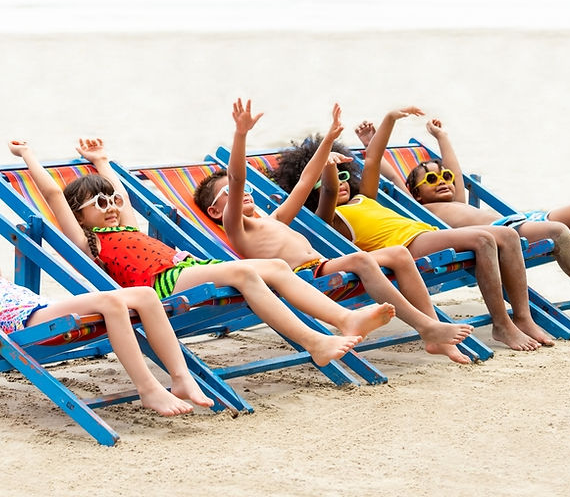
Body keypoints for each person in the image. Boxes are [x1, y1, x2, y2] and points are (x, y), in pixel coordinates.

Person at [7, 139, 397, 369]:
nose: (110, 205)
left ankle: (346, 319)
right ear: (80, 214)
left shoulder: (125, 223)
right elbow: (56, 195)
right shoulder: (88, 240)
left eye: (111, 199)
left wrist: (103, 161)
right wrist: (29, 157)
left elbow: (122, 195)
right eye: (99, 202)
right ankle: (315, 342)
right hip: (160, 284)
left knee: (276, 266)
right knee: (245, 275)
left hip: (187, 267)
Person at [0, 146, 214, 417]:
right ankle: (149, 389)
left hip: (44, 308)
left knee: (146, 296)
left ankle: (181, 377)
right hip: (27, 323)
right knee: (111, 301)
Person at [193, 98, 473, 364]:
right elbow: (237, 177)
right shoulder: (236, 228)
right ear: (217, 212)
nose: (243, 193)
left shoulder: (275, 218)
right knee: (362, 259)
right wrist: (241, 135)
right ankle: (426, 327)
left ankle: (435, 332)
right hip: (305, 277)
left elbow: (305, 181)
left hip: (321, 266)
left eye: (247, 191)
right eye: (231, 193)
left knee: (399, 254)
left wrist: (328, 139)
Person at [272, 106, 556, 351]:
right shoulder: (327, 215)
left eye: (346, 174)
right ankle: (502, 325)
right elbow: (330, 189)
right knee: (484, 240)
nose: (343, 182)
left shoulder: (364, 197)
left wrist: (390, 119)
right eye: (331, 178)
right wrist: (327, 167)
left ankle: (523, 316)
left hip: (426, 233)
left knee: (506, 234)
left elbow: (372, 159)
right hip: (409, 245)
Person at [368, 118, 570, 324]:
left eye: (445, 177)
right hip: (504, 233)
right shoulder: (418, 209)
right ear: (415, 193)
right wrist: (371, 140)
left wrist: (442, 136)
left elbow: (454, 168)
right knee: (558, 231)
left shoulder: (457, 199)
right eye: (430, 179)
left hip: (517, 220)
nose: (442, 181)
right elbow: (391, 177)